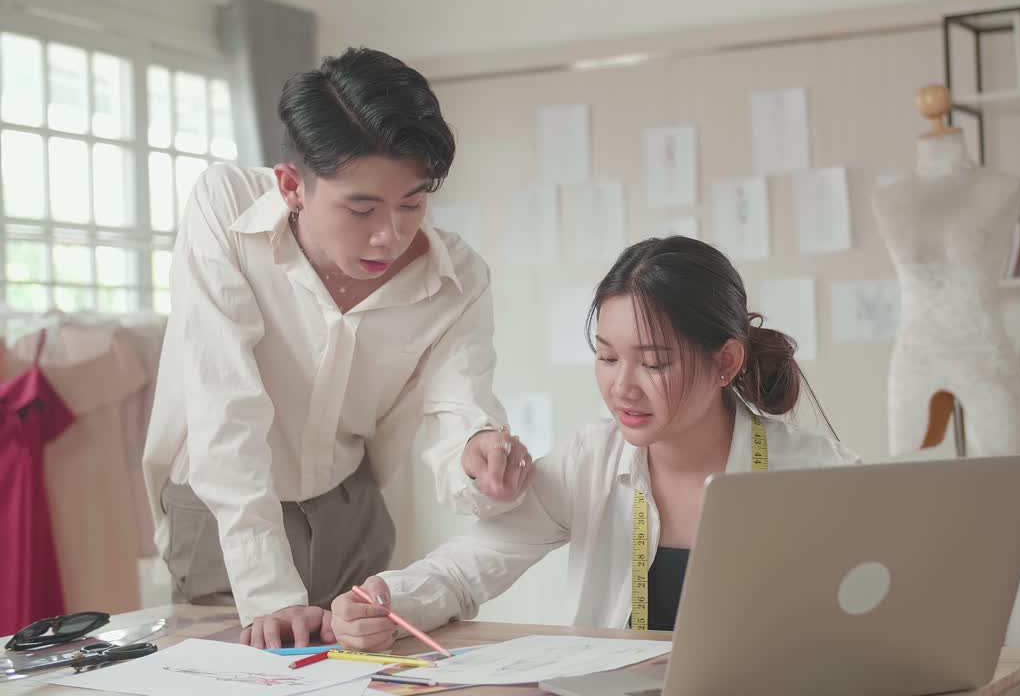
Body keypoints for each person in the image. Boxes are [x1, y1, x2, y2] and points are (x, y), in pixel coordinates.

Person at [141, 47, 534, 649]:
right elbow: (225, 402)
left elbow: (461, 409)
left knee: (369, 680)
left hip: (350, 509)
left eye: (413, 202)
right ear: (292, 185)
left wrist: (480, 454)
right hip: (226, 511)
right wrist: (268, 590)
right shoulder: (224, 209)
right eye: (361, 207)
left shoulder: (458, 277)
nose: (391, 234)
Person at [329, 236, 858, 650]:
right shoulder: (593, 461)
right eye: (607, 357)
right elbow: (464, 572)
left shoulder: (817, 476)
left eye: (653, 362)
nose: (622, 386)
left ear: (725, 362)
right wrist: (384, 601)